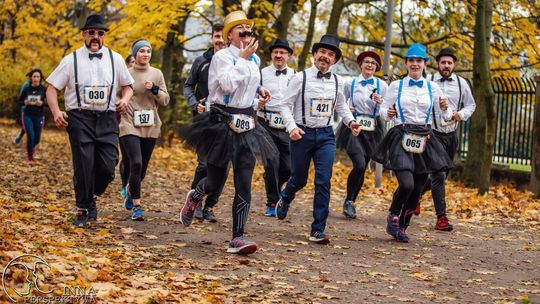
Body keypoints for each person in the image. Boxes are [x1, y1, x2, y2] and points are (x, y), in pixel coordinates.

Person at [178, 10, 276, 255]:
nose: (246, 32)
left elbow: (246, 86)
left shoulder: (255, 60)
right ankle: (195, 196)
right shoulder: (221, 57)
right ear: (230, 34)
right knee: (214, 181)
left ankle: (238, 237)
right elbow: (226, 85)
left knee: (244, 182)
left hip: (246, 122)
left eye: (248, 29)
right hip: (221, 122)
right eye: (240, 28)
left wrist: (260, 91)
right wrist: (242, 59)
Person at [46, 14, 134, 228]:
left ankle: (91, 194)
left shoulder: (117, 59)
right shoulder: (70, 60)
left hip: (106, 118)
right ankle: (83, 208)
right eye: (91, 33)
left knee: (108, 164)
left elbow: (128, 86)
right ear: (84, 34)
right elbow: (51, 88)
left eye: (100, 33)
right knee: (84, 163)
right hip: (79, 117)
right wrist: (57, 112)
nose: (96, 37)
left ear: (104, 36)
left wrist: (124, 99)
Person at [275, 35, 361, 244]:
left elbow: (340, 106)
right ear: (315, 54)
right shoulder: (300, 78)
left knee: (323, 181)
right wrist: (291, 127)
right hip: (302, 134)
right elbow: (285, 105)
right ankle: (286, 196)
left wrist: (351, 122)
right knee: (300, 178)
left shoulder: (338, 81)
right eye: (323, 52)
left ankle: (317, 229)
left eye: (331, 54)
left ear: (335, 60)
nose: (326, 57)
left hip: (325, 136)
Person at [373, 43, 453, 243]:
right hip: (402, 134)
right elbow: (383, 111)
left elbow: (447, 115)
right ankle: (392, 214)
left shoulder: (432, 87)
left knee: (417, 188)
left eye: (419, 61)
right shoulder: (396, 86)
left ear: (425, 64)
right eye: (411, 61)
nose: (415, 64)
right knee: (406, 184)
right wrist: (388, 112)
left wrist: (445, 108)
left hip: (425, 137)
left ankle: (402, 226)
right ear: (406, 63)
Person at [416, 47, 476, 231]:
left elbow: (471, 105)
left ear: (454, 65)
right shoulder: (428, 81)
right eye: (443, 62)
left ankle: (415, 195)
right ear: (438, 64)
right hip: (432, 134)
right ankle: (441, 218)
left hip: (451, 136)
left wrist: (461, 114)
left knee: (441, 175)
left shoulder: (461, 83)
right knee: (439, 175)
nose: (446, 66)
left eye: (450, 63)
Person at [119, 39, 169, 221]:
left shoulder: (156, 73)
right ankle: (137, 206)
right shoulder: (126, 74)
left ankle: (132, 189)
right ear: (135, 54)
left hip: (150, 125)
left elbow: (165, 100)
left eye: (148, 51)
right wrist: (120, 104)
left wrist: (155, 89)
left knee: (143, 169)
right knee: (136, 163)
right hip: (129, 123)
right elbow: (117, 95)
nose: (145, 54)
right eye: (141, 51)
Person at [183, 24, 227, 223]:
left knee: (223, 167)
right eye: (217, 36)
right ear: (212, 38)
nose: (220, 40)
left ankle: (210, 206)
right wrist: (194, 104)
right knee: (203, 165)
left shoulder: (235, 63)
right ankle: (196, 203)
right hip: (204, 120)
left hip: (227, 121)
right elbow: (188, 86)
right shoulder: (201, 61)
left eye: (223, 36)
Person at [335, 51, 388, 219]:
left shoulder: (382, 85)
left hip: (373, 129)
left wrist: (382, 103)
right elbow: (340, 101)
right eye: (366, 62)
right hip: (354, 127)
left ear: (377, 67)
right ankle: (348, 200)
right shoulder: (350, 83)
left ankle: (352, 201)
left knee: (363, 167)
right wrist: (347, 109)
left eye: (373, 63)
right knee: (358, 164)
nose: (370, 65)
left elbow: (388, 110)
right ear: (361, 64)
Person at [258, 38, 295, 217]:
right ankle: (272, 201)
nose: (278, 55)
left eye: (282, 53)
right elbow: (252, 94)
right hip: (265, 123)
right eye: (275, 52)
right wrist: (259, 102)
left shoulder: (295, 76)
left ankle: (276, 186)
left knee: (288, 167)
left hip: (287, 124)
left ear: (288, 56)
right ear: (271, 55)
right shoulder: (261, 74)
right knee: (272, 162)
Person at [19, 69, 47, 164]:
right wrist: (25, 102)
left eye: (37, 76)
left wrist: (42, 103)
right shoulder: (27, 89)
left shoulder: (43, 89)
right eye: (34, 76)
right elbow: (19, 101)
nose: (35, 78)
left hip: (39, 116)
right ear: (31, 78)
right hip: (27, 115)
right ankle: (30, 157)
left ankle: (31, 147)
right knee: (30, 135)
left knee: (37, 138)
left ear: (40, 78)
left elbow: (48, 102)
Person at [13, 76, 31, 145]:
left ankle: (29, 140)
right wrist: (25, 101)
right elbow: (21, 96)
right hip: (25, 107)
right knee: (26, 125)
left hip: (34, 109)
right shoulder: (26, 84)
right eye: (34, 76)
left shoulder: (38, 86)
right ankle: (19, 138)